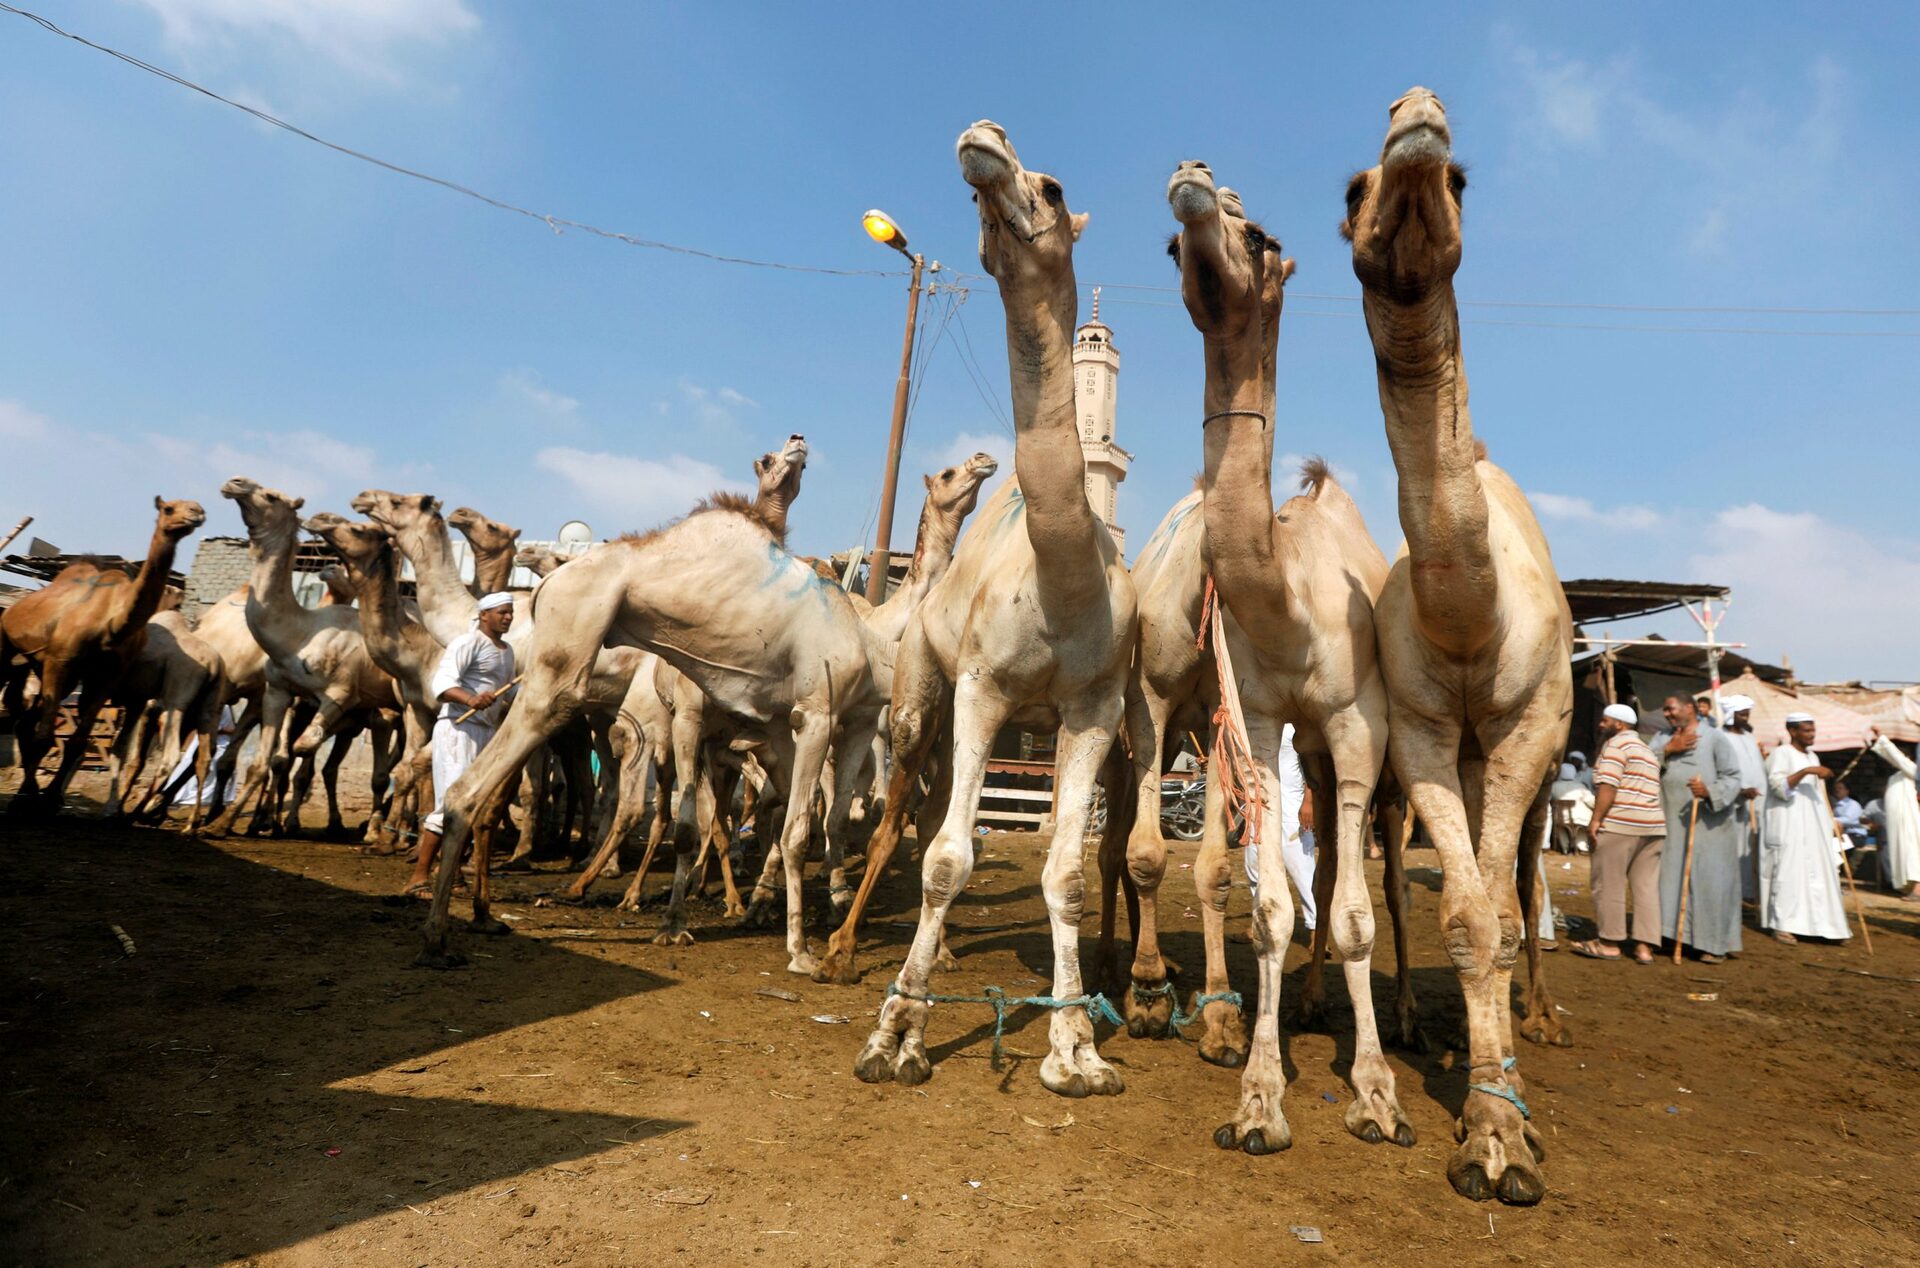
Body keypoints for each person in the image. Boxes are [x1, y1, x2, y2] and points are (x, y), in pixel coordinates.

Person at [401, 592, 517, 899]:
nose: (508, 617)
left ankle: (450, 876)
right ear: (484, 615)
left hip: (486, 732)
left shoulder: (507, 652)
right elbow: (442, 685)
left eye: (510, 613)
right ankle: (418, 877)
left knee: (473, 808)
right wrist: (471, 699)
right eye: (502, 612)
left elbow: (503, 696)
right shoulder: (467, 643)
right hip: (458, 729)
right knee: (450, 806)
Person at [1571, 703, 1664, 963]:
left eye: (1605, 720)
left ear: (1619, 725)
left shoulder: (1614, 747)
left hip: (1621, 825)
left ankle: (1609, 943)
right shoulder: (1647, 750)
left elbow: (1608, 787)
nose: (1601, 725)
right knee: (1645, 888)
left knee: (1608, 884)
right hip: (1653, 826)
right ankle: (1644, 948)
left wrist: (1596, 820)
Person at [1656, 694, 1745, 963]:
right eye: (1665, 711)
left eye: (1671, 709)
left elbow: (1733, 777)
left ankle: (1713, 944)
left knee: (1711, 883)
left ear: (1689, 709)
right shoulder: (1661, 738)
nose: (1667, 715)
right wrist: (1669, 750)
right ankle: (1671, 935)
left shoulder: (1715, 738)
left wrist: (1709, 791)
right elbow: (1645, 763)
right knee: (1669, 880)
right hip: (1671, 824)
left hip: (1709, 826)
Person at [1762, 712, 1852, 943]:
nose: (1812, 735)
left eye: (1813, 730)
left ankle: (1824, 927)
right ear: (1793, 731)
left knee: (1819, 874)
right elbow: (1778, 788)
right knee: (1788, 874)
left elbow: (1819, 796)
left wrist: (1832, 823)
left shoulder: (1813, 756)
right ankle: (1783, 925)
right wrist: (1806, 772)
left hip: (1814, 828)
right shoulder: (1781, 754)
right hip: (1789, 826)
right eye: (1806, 730)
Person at [1244, 722, 1316, 935]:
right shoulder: (1251, 723)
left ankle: (1315, 929)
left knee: (1303, 870)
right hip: (1258, 806)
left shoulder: (1296, 726)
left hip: (1291, 809)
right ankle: (1261, 921)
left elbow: (1312, 767)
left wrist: (1309, 802)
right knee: (1254, 866)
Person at [1720, 696, 1768, 905]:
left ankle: (1752, 893)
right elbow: (1721, 771)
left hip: (1757, 803)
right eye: (1741, 714)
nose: (1745, 717)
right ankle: (1735, 893)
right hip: (1735, 805)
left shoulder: (1750, 737)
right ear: (1731, 715)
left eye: (1747, 713)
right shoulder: (1721, 738)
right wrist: (1739, 791)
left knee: (1753, 849)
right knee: (1735, 849)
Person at [1868, 726, 1920, 900]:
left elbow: (1896, 757)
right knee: (1904, 854)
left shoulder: (1912, 769)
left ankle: (1918, 890)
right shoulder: (1896, 775)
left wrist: (1882, 738)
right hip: (1898, 823)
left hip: (1911, 821)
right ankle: (1910, 887)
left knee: (1913, 853)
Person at [1831, 781, 1870, 851]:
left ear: (1847, 791)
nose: (1837, 790)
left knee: (1834, 847)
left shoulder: (1852, 804)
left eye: (1840, 788)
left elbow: (1849, 820)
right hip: (1845, 835)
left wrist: (1831, 820)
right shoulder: (1836, 805)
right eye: (1836, 788)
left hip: (1856, 836)